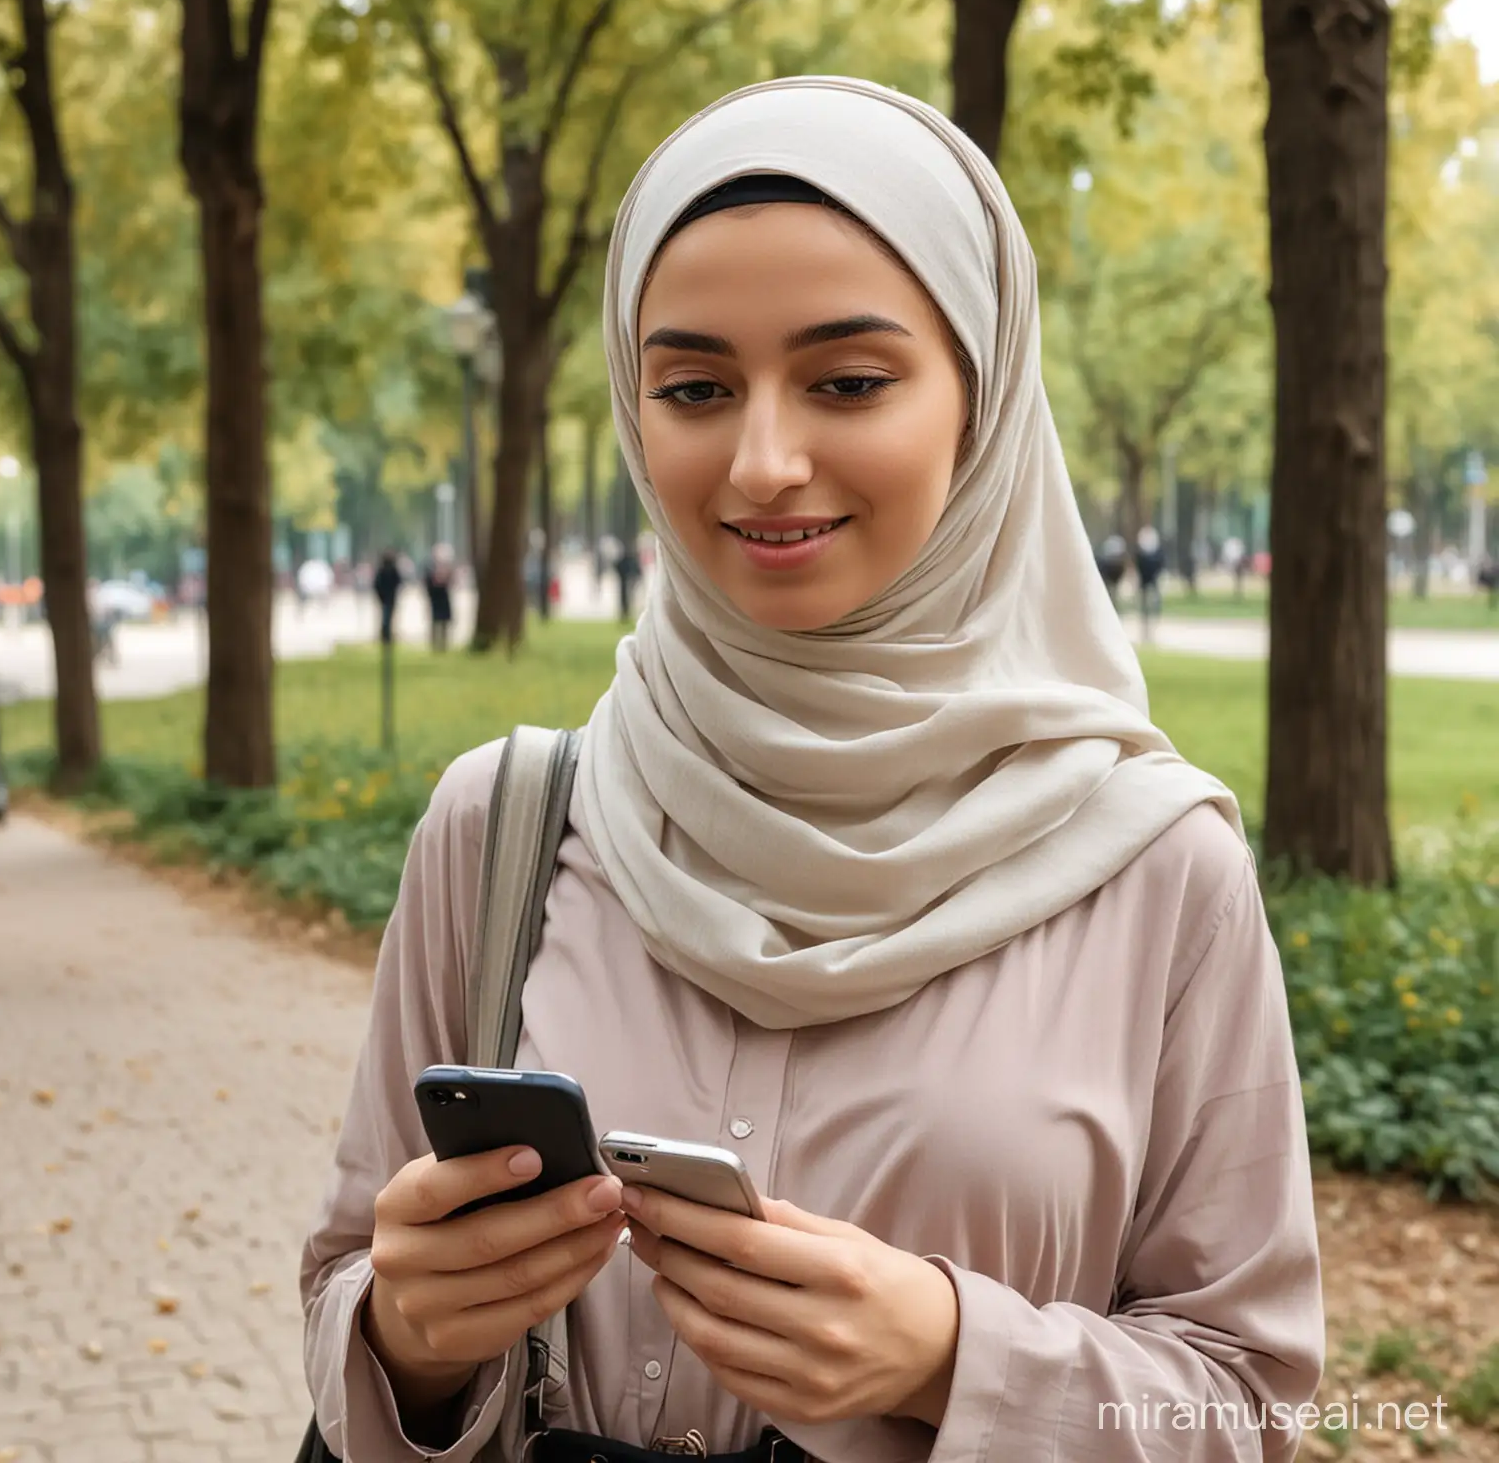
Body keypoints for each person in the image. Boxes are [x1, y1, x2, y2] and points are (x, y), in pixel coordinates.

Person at [302, 78, 1322, 1463]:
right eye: (695, 389)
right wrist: (411, 1337)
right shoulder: (503, 828)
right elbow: (345, 1289)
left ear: (985, 396)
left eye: (849, 381)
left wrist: (956, 1358)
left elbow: (1255, 1406)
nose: (764, 462)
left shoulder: (1158, 874)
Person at [1134, 524, 1165, 641]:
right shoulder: (1141, 553)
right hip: (1144, 583)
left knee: (1153, 607)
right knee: (1145, 609)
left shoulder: (1155, 553)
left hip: (1152, 583)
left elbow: (1159, 566)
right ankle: (1145, 631)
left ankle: (1151, 631)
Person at [425, 545, 455, 652]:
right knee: (435, 623)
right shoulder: (430, 570)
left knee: (443, 624)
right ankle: (435, 645)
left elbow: (451, 582)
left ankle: (443, 645)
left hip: (444, 600)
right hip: (435, 600)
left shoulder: (447, 571)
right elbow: (428, 585)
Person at [373, 549, 402, 645]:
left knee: (386, 617)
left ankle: (386, 634)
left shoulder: (385, 571)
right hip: (388, 598)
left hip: (386, 598)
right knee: (387, 617)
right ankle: (386, 635)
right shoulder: (390, 571)